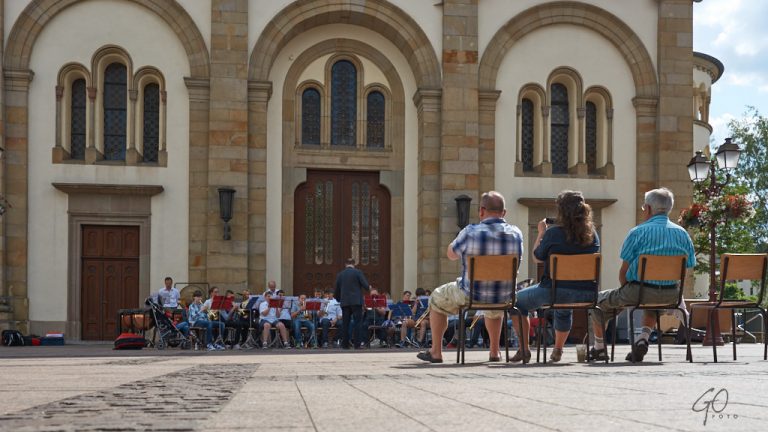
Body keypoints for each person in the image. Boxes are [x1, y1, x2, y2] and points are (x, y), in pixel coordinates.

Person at [589, 187, 695, 362]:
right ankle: (643, 339)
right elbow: (689, 265)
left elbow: (623, 271)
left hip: (638, 291)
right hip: (671, 294)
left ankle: (599, 347)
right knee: (653, 305)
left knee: (598, 303)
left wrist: (625, 291)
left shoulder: (638, 232)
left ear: (648, 208)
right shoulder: (682, 234)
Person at [417, 191, 523, 363]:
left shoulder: (470, 231)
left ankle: (436, 351)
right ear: (504, 213)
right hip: (504, 295)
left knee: (436, 296)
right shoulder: (516, 233)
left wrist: (456, 242)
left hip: (471, 294)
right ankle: (494, 352)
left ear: (481, 211)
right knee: (494, 307)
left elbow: (451, 254)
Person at [509, 190, 600, 363]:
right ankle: (558, 350)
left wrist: (542, 232)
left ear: (561, 211)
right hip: (587, 293)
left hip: (553, 291)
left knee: (516, 302)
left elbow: (537, 257)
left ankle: (524, 349)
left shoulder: (554, 233)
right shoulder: (593, 234)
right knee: (564, 308)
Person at [334, 258, 370, 349]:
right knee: (358, 323)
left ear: (345, 264)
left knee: (345, 323)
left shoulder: (340, 274)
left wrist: (339, 299)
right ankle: (357, 344)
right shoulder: (358, 272)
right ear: (354, 264)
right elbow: (366, 285)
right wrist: (369, 287)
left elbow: (336, 290)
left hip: (345, 302)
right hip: (356, 302)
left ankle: (345, 344)